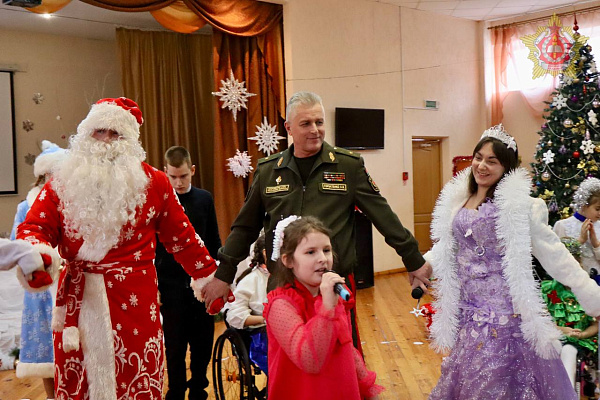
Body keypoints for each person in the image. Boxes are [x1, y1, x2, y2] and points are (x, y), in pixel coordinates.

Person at [15, 97, 218, 400]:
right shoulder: (61, 184)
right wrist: (38, 255)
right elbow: (34, 228)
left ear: (130, 141)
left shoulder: (155, 184)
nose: (107, 141)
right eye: (100, 132)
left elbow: (183, 238)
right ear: (86, 135)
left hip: (134, 305)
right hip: (78, 304)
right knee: (79, 383)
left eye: (116, 133)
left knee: (135, 381)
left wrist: (211, 280)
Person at [204, 91, 432, 347]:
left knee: (340, 362)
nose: (315, 130)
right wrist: (223, 275)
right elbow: (245, 228)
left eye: (319, 122)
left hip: (333, 285)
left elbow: (383, 216)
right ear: (289, 128)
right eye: (306, 124)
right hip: (283, 287)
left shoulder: (348, 166)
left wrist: (412, 258)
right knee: (289, 363)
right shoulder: (268, 171)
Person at [424, 124, 600, 399]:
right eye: (478, 157)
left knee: (491, 384)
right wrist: (424, 265)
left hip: (504, 315)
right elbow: (450, 246)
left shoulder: (522, 207)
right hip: (469, 311)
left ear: (506, 167)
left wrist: (591, 296)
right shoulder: (460, 200)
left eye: (491, 161)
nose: (482, 166)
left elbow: (554, 253)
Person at [263, 216, 383, 400]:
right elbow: (310, 360)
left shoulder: (332, 296)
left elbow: (346, 347)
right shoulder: (281, 305)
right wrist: (327, 307)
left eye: (326, 250)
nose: (322, 259)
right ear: (288, 261)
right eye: (310, 252)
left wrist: (366, 385)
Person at [156, 146, 221, 400]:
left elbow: (213, 241)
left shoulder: (204, 199)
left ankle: (198, 391)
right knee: (174, 346)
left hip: (201, 286)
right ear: (165, 173)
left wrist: (218, 277)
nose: (179, 182)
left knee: (202, 343)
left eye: (183, 176)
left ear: (192, 171)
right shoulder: (161, 202)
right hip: (170, 288)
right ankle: (176, 391)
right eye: (173, 177)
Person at [10, 140, 66, 400]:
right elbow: (17, 243)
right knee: (47, 350)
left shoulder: (71, 203)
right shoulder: (25, 207)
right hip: (41, 288)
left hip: (67, 285)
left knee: (70, 344)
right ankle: (52, 396)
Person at [540, 237, 598, 391]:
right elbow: (541, 321)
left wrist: (582, 334)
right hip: (554, 335)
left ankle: (567, 393)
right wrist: (561, 329)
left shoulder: (587, 290)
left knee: (569, 351)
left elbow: (596, 324)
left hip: (580, 340)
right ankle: (550, 391)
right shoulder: (547, 289)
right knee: (553, 346)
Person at [226, 233, 269, 374]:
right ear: (266, 253)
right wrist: (267, 319)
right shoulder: (250, 280)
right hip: (262, 337)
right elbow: (235, 316)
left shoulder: (293, 276)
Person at [553, 177, 600, 275]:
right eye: (597, 209)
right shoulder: (563, 226)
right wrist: (580, 241)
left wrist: (596, 245)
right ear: (584, 205)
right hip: (575, 283)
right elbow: (557, 258)